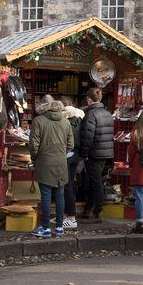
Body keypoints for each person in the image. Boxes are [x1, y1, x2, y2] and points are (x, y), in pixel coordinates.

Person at [29, 96, 73, 238]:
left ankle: (46, 228)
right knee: (60, 195)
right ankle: (59, 228)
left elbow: (33, 144)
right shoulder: (66, 122)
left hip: (44, 162)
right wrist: (61, 153)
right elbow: (71, 144)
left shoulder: (38, 121)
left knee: (46, 196)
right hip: (61, 163)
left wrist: (35, 158)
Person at [78, 87, 114, 224]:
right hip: (105, 152)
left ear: (88, 99)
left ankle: (98, 211)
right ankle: (89, 209)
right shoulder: (107, 113)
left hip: (94, 153)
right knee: (92, 180)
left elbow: (87, 136)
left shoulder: (90, 115)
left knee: (95, 182)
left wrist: (84, 154)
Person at [60, 96, 84, 228]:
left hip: (67, 154)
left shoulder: (64, 120)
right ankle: (65, 214)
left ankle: (71, 217)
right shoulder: (79, 118)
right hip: (76, 154)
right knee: (71, 184)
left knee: (66, 185)